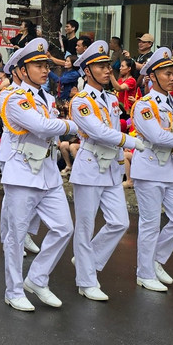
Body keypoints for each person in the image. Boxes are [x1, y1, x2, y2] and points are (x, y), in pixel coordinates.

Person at [0, 37, 78, 311]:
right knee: (16, 235)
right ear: (21, 70)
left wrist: (60, 124)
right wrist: (70, 124)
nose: (45, 70)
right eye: (37, 65)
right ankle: (14, 290)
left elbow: (47, 126)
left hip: (47, 172)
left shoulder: (44, 96)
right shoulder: (12, 96)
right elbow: (41, 127)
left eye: (46, 64)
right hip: (22, 173)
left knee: (64, 228)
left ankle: (38, 278)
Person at [68, 41, 147, 301]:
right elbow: (98, 131)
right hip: (90, 165)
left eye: (107, 66)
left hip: (111, 168)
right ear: (87, 71)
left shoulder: (112, 99)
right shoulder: (81, 101)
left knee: (119, 222)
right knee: (85, 225)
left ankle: (84, 258)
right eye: (100, 67)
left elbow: (112, 128)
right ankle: (86, 280)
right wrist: (129, 141)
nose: (106, 71)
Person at [130, 47, 173, 293]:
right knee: (150, 224)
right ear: (152, 75)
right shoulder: (144, 105)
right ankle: (144, 273)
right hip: (149, 168)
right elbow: (157, 136)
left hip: (170, 169)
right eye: (168, 73)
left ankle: (156, 259)